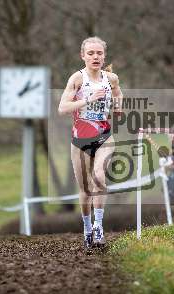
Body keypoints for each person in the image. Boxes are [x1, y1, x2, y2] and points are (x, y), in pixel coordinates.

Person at [58, 36, 123, 249]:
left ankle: (98, 227)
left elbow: (118, 93)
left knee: (100, 178)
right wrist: (88, 99)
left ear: (104, 56)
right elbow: (62, 108)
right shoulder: (77, 79)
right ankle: (86, 228)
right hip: (80, 140)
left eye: (99, 53)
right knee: (85, 190)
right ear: (83, 56)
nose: (95, 57)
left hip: (104, 136)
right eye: (91, 53)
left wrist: (118, 108)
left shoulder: (111, 78)